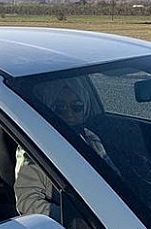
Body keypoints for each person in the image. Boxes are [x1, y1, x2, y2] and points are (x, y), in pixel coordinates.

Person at [14, 77, 113, 218]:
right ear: (48, 107)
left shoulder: (90, 138)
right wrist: (71, 219)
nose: (69, 113)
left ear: (85, 108)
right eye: (59, 108)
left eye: (77, 107)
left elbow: (111, 175)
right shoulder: (34, 146)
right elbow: (27, 201)